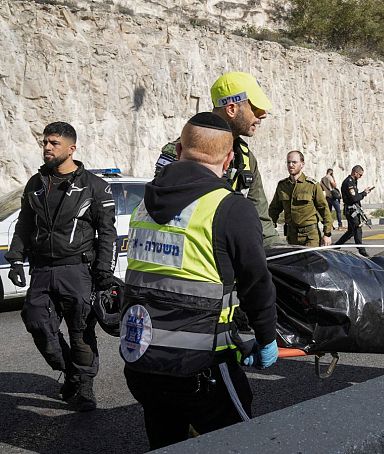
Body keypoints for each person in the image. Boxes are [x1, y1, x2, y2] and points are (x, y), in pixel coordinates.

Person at [121, 112, 278, 449]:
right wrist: (265, 338)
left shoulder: (143, 207)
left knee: (165, 441)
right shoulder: (229, 208)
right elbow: (256, 283)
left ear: (178, 149)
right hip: (202, 367)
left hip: (143, 359)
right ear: (229, 159)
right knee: (235, 441)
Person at [5, 122, 116, 412]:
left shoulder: (94, 186)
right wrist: (16, 258)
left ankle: (84, 386)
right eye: (45, 143)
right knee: (37, 324)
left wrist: (104, 272)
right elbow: (24, 224)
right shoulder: (36, 184)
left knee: (80, 331)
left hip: (78, 271)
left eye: (54, 143)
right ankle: (71, 371)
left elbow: (107, 232)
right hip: (42, 270)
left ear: (72, 148)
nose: (47, 148)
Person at [153, 71, 285, 250]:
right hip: (187, 263)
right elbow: (165, 213)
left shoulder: (245, 159)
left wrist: (282, 254)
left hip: (224, 263)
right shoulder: (183, 152)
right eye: (255, 108)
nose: (262, 115)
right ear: (231, 109)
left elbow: (261, 220)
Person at [268, 151, 332, 246]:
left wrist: (327, 233)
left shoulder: (312, 185)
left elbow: (324, 209)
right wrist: (268, 229)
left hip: (310, 236)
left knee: (311, 260)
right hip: (292, 235)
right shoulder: (282, 186)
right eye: (288, 162)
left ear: (302, 164)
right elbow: (274, 210)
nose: (291, 165)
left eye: (294, 162)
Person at [334, 165, 374, 257]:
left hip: (353, 210)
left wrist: (364, 192)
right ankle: (362, 251)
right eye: (360, 175)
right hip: (351, 210)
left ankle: (336, 246)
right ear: (355, 173)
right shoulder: (349, 182)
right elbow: (354, 198)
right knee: (357, 229)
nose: (360, 177)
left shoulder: (353, 181)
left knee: (351, 231)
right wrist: (364, 193)